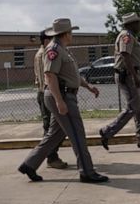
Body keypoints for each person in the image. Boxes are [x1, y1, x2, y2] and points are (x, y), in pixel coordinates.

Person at [18, 18, 108, 183]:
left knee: (53, 135)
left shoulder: (63, 49)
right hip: (62, 96)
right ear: (66, 33)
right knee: (77, 134)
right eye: (71, 32)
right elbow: (49, 75)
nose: (72, 35)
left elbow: (71, 75)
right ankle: (87, 172)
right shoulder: (54, 50)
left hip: (64, 94)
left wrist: (88, 86)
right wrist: (60, 102)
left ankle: (29, 164)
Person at [99, 12, 140, 150]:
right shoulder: (126, 36)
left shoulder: (130, 36)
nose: (139, 25)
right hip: (127, 75)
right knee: (133, 108)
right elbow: (125, 55)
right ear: (130, 24)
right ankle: (107, 131)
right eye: (137, 23)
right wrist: (135, 75)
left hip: (132, 74)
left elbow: (131, 56)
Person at [34, 29, 67, 169]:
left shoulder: (42, 53)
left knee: (56, 128)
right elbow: (50, 76)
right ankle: (51, 157)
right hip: (47, 93)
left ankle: (51, 156)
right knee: (52, 129)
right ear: (46, 41)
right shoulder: (44, 54)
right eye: (52, 39)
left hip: (46, 93)